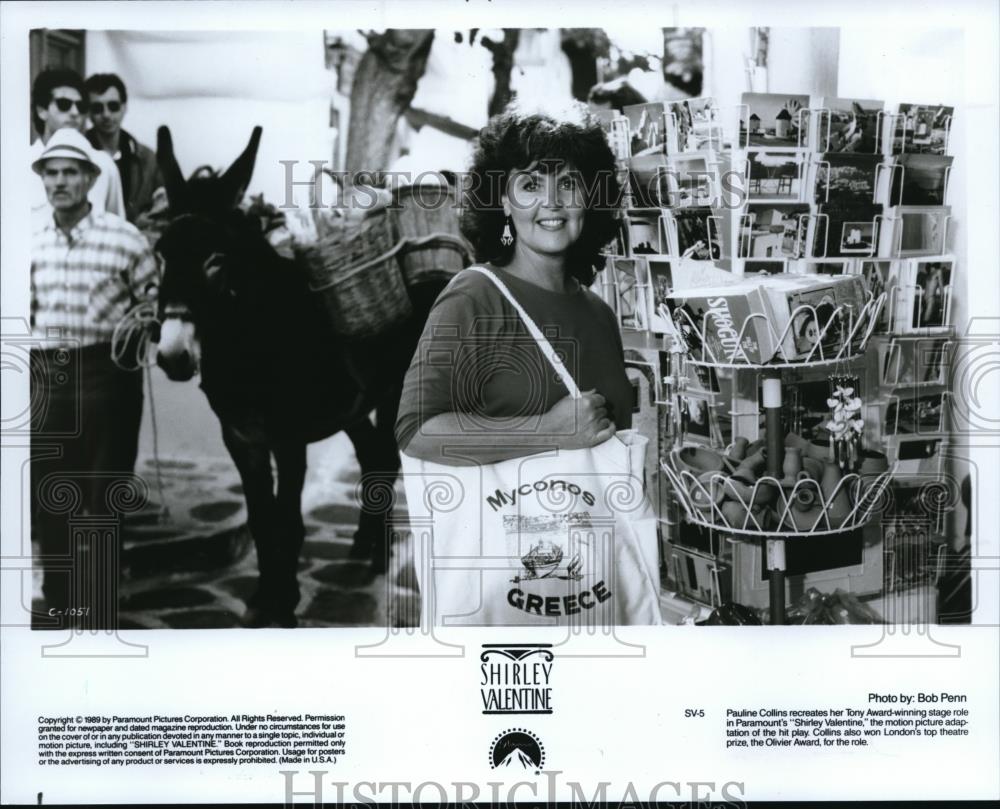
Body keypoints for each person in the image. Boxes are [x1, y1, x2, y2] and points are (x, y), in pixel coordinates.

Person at [396, 107, 631, 466]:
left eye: (568, 183)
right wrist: (548, 432)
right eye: (530, 184)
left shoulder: (600, 315)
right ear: (504, 201)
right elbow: (416, 432)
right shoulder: (474, 296)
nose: (551, 201)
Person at [30, 128, 157, 629]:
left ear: (89, 179)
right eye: (51, 173)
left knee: (105, 493)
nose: (59, 182)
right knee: (50, 493)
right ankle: (59, 598)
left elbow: (152, 302)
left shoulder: (123, 238)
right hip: (46, 379)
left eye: (69, 173)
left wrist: (146, 322)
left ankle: (99, 603)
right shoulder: (29, 241)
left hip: (107, 376)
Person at [30, 68, 125, 228]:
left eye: (80, 106)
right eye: (64, 104)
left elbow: (117, 229)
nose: (74, 113)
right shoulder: (17, 165)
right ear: (42, 111)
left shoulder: (104, 165)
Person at [85, 72, 162, 224]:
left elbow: (164, 205)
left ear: (124, 107)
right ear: (88, 113)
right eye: (97, 108)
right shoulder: (78, 156)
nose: (106, 114)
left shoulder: (147, 158)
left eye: (113, 106)